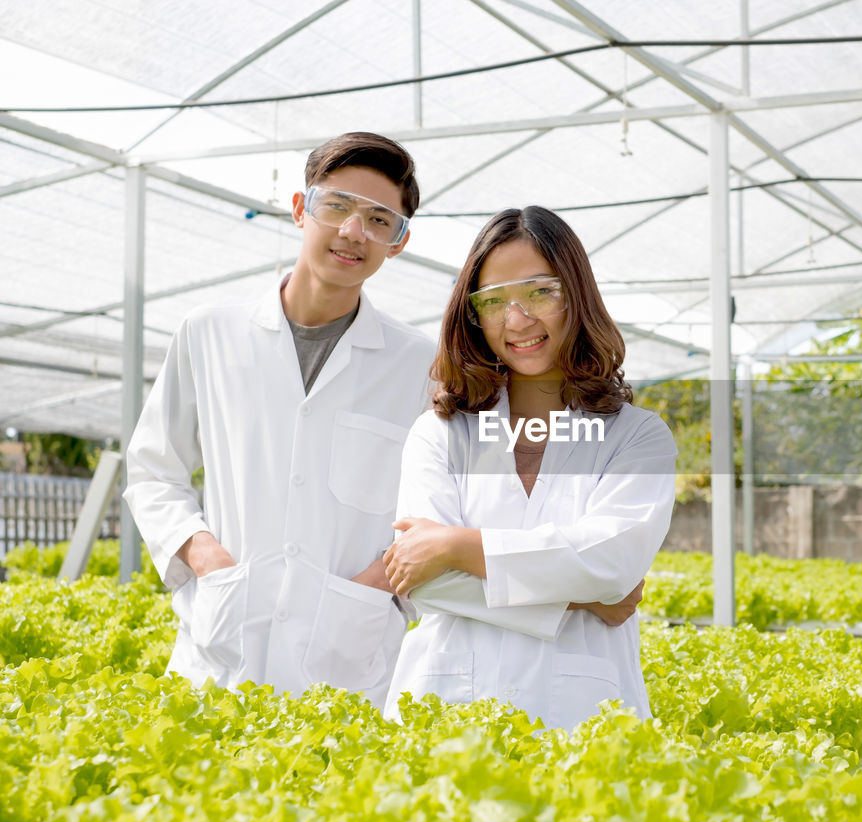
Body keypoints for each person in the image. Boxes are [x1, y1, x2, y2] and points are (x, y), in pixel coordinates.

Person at [124, 132, 435, 708]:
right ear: (300, 208)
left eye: (378, 219)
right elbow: (152, 470)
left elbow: (439, 511)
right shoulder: (208, 332)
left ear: (398, 242)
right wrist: (203, 555)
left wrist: (379, 587)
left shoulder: (420, 364)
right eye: (336, 205)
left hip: (351, 658)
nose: (353, 231)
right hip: (219, 643)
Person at [381, 205, 677, 729]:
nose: (517, 320)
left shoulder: (637, 436)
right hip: (446, 705)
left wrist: (454, 546)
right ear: (472, 315)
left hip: (583, 714)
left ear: (577, 293)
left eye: (540, 291)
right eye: (493, 301)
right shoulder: (440, 433)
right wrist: (578, 600)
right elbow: (421, 581)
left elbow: (611, 563)